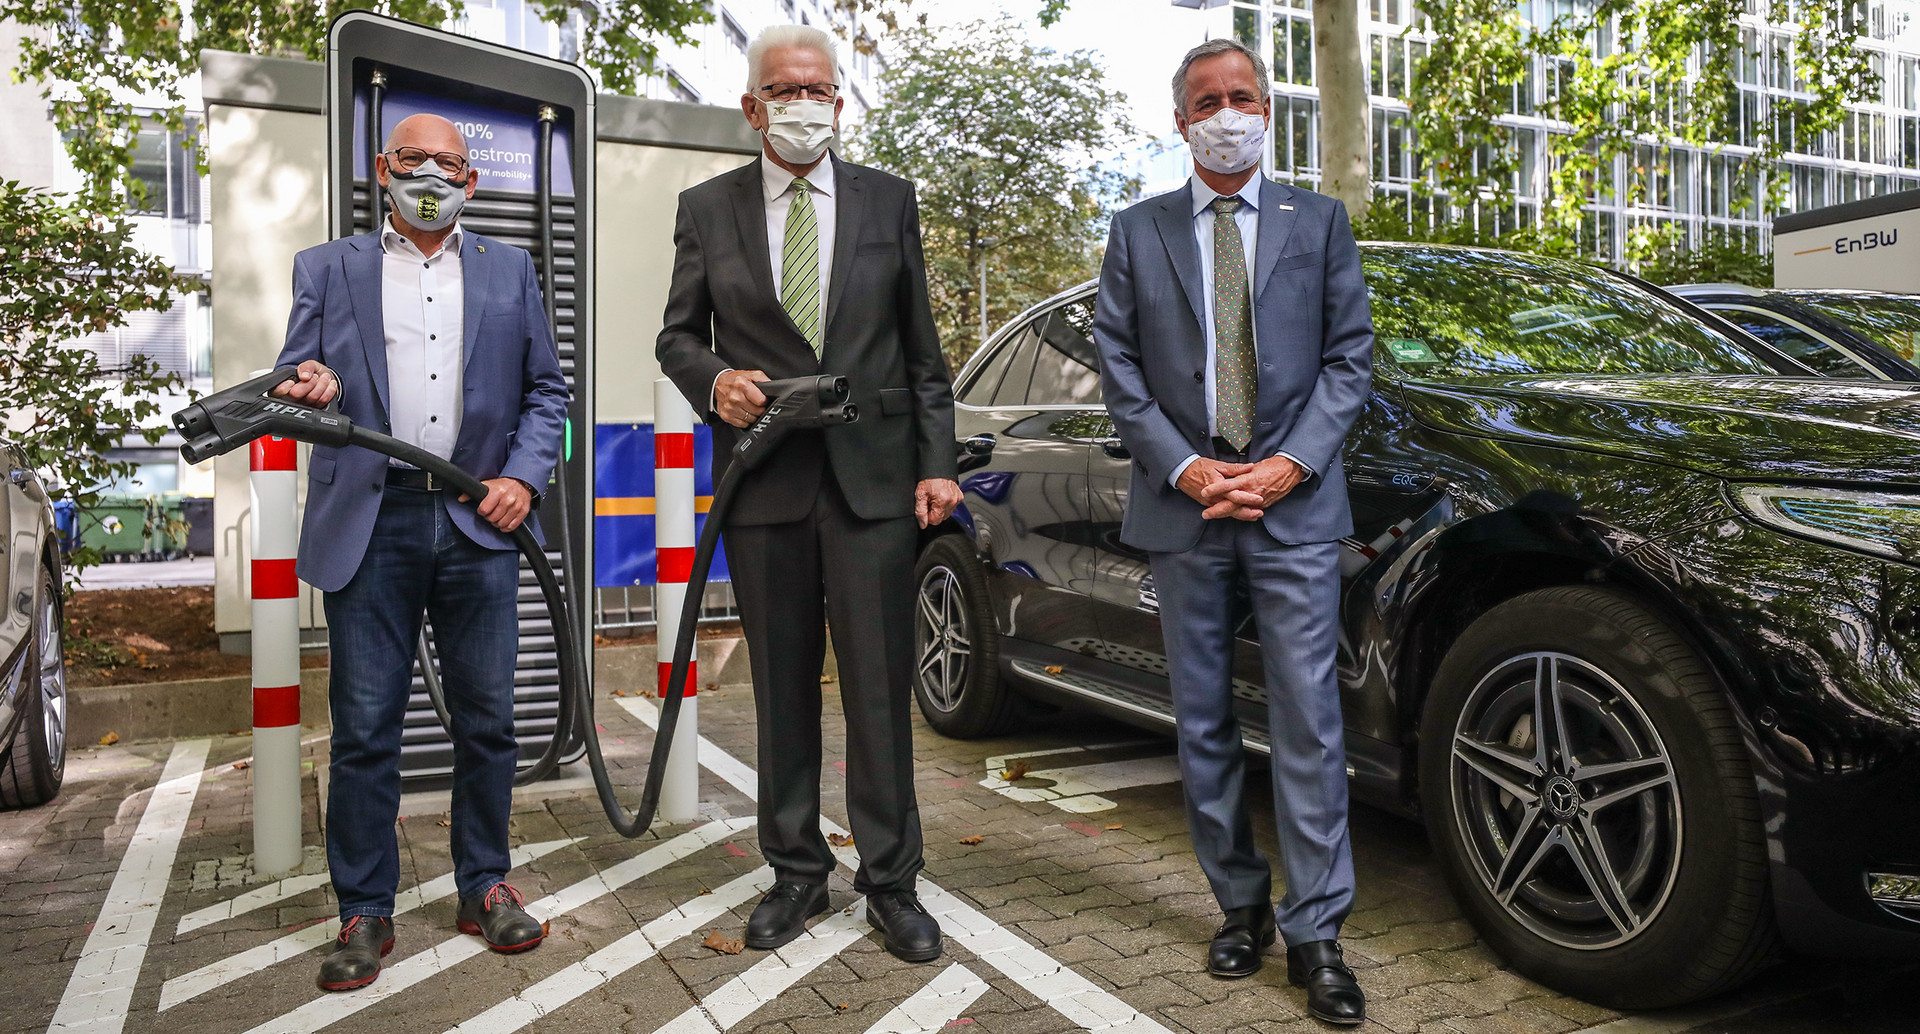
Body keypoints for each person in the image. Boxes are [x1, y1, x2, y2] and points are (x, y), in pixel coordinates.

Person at [656, 23, 961, 964]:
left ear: (839, 102)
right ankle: (794, 872)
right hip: (767, 488)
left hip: (875, 488)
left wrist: (937, 462)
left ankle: (892, 882)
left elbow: (922, 356)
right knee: (783, 692)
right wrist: (716, 382)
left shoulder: (887, 201)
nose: (805, 103)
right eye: (785, 89)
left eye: (820, 89)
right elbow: (677, 337)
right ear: (752, 106)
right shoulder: (707, 208)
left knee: (878, 692)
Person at [1091, 37, 1374, 1026]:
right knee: (1203, 718)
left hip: (1293, 502)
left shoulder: (1320, 221)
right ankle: (1240, 904)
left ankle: (1318, 930)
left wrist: (1289, 462)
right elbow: (1118, 363)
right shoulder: (1137, 229)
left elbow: (1350, 359)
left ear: (1266, 108)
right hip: (1185, 501)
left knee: (1307, 717)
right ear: (1180, 121)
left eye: (1242, 96)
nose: (1227, 111)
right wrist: (1187, 463)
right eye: (1206, 100)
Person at [271, 113, 570, 991]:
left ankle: (484, 886)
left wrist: (523, 477)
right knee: (366, 731)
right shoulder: (329, 268)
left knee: (489, 721)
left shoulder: (509, 270)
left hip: (481, 522)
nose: (431, 173)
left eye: (449, 162)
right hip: (373, 522)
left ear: (472, 181)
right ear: (383, 170)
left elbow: (546, 392)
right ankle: (364, 909)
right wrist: (311, 387)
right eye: (415, 160)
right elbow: (295, 386)